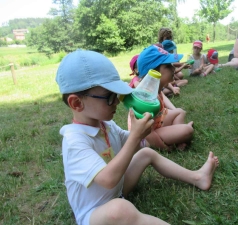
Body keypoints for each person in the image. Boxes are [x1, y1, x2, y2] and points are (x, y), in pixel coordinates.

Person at [55, 49, 219, 225]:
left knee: (146, 154)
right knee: (120, 210)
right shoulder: (74, 140)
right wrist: (135, 138)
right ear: (77, 103)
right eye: (110, 96)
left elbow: (138, 144)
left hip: (117, 190)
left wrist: (143, 132)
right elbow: (108, 179)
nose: (117, 101)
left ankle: (198, 177)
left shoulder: (106, 125)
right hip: (95, 213)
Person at [137, 45, 194, 151]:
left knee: (180, 111)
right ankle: (180, 135)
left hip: (158, 124)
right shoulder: (145, 98)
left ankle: (178, 137)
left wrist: (173, 110)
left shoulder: (155, 88)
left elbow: (163, 99)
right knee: (188, 130)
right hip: (148, 136)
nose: (173, 68)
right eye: (168, 66)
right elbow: (147, 133)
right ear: (153, 72)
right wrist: (165, 148)